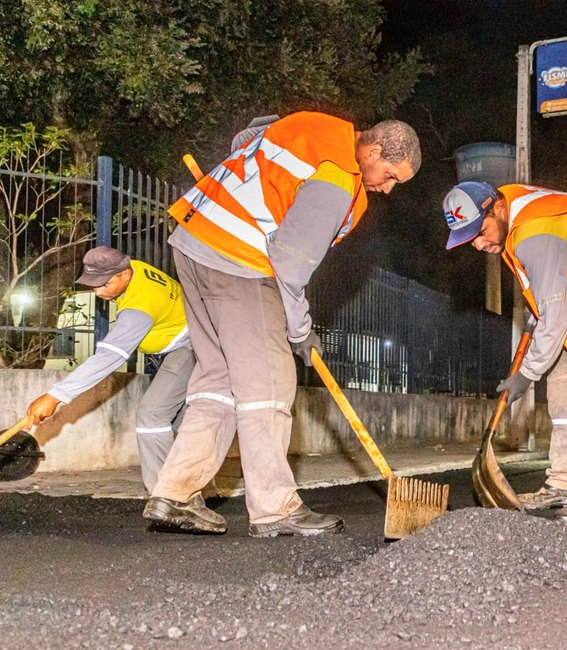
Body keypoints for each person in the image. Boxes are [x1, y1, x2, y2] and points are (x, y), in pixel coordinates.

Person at [144, 112, 421, 536]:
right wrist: (300, 333)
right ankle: (275, 508)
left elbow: (250, 132)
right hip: (240, 261)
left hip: (192, 245)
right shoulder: (338, 174)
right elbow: (291, 268)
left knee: (217, 378)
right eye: (389, 175)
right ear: (375, 150)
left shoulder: (313, 126)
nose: (386, 188)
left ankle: (175, 492)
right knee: (269, 384)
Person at [441, 181, 567, 526]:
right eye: (469, 239)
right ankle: (563, 481)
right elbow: (548, 291)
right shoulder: (512, 222)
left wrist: (526, 373)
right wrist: (535, 312)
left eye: (479, 232)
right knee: (562, 387)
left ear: (497, 209)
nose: (477, 244)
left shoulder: (533, 229)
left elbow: (555, 315)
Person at [25, 246, 193, 493]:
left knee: (152, 415)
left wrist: (55, 396)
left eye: (104, 284)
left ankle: (166, 497)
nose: (97, 291)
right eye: (93, 284)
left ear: (124, 274)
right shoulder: (133, 268)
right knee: (182, 422)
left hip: (192, 348)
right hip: (179, 347)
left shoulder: (141, 303)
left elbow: (110, 357)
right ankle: (191, 486)